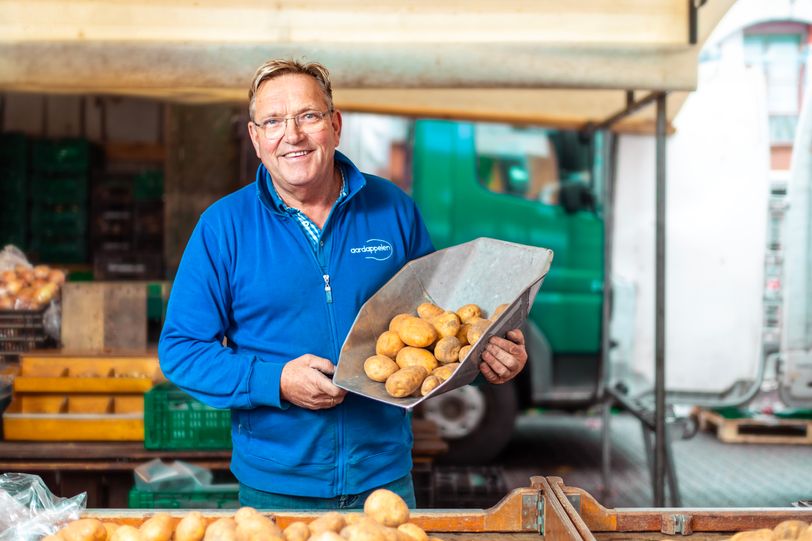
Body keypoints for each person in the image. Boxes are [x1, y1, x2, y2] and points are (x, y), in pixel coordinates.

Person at [158, 59, 529, 510]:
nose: (291, 135)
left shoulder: (392, 208)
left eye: (308, 116)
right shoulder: (224, 227)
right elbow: (181, 349)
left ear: (335, 125)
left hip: (385, 480)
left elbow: (439, 324)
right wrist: (276, 381)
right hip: (277, 487)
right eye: (273, 121)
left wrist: (487, 357)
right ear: (257, 139)